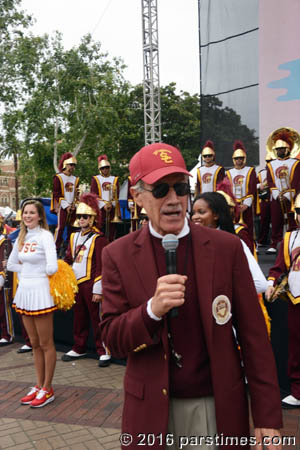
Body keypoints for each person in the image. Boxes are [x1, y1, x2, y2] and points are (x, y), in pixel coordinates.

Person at [100, 142, 282, 450]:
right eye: (160, 190)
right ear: (137, 196)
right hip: (151, 412)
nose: (173, 200)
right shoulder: (117, 254)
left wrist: (267, 417)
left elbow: (254, 338)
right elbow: (111, 339)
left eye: (181, 188)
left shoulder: (227, 248)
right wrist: (151, 311)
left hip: (216, 406)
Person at [7, 199, 58, 408]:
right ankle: (38, 385)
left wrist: (36, 272)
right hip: (25, 292)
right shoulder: (22, 236)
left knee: (46, 344)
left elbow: (53, 267)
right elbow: (11, 264)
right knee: (34, 343)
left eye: (31, 213)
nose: (27, 216)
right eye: (25, 213)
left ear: (39, 216)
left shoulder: (45, 236)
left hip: (41, 292)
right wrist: (28, 271)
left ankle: (48, 388)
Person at [62, 193, 110, 367]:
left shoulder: (99, 238)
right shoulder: (74, 236)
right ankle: (79, 346)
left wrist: (98, 288)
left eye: (85, 216)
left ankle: (103, 349)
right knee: (79, 318)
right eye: (79, 216)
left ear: (92, 218)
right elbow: (68, 258)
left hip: (91, 283)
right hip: (76, 283)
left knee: (97, 319)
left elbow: (102, 265)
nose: (81, 219)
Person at [191, 192, 267, 294]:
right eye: (193, 213)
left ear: (216, 215)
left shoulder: (233, 243)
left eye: (201, 212)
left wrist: (222, 296)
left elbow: (260, 284)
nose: (195, 217)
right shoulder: (191, 243)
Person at [265, 193, 300, 409]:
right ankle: (297, 390)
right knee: (296, 347)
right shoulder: (289, 238)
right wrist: (271, 282)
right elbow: (279, 267)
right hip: (295, 299)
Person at [265, 130, 300, 254]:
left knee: (292, 220)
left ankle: (293, 241)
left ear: (288, 149)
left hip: (291, 197)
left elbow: (297, 182)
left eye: (282, 149)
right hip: (276, 197)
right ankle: (275, 243)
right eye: (278, 149)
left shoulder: (296, 163)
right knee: (276, 221)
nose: (280, 151)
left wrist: (287, 195)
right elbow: (269, 181)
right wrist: (277, 194)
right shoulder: (271, 165)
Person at [226, 140, 258, 240]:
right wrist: (232, 204)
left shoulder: (250, 170)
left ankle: (251, 244)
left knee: (248, 225)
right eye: (237, 158)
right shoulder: (228, 172)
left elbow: (252, 188)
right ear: (233, 159)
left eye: (241, 158)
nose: (239, 160)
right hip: (233, 204)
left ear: (244, 159)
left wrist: (246, 204)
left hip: (246, 203)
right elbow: (227, 190)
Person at [51, 152, 79, 254]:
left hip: (73, 207)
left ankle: (70, 250)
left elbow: (77, 193)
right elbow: (56, 193)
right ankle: (55, 249)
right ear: (65, 165)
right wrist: (66, 206)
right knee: (61, 228)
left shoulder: (76, 179)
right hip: (62, 207)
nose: (72, 167)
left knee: (73, 228)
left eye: (74, 165)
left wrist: (74, 205)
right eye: (71, 165)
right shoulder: (58, 177)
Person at [90, 154, 120, 242]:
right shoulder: (95, 179)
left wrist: (111, 204)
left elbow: (116, 194)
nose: (105, 169)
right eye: (103, 168)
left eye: (107, 167)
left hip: (112, 208)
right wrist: (103, 205)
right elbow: (94, 194)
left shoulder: (115, 179)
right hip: (100, 209)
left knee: (112, 229)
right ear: (100, 169)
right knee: (100, 227)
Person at [0, 220, 14, 346]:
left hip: (3, 280)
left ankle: (7, 334)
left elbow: (6, 262)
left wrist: (2, 278)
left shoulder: (5, 241)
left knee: (4, 309)